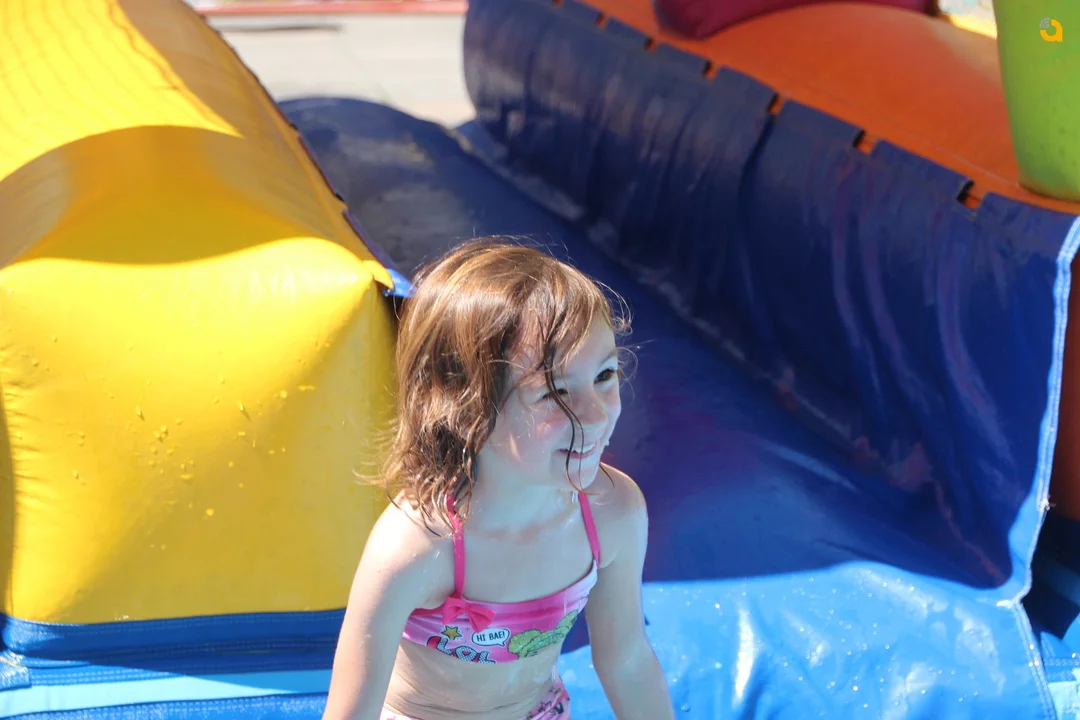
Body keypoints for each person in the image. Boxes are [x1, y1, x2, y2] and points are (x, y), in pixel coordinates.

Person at [323, 240, 674, 720]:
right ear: (465, 407)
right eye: (554, 392)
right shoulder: (419, 547)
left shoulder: (612, 512)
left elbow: (627, 661)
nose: (595, 414)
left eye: (605, 374)